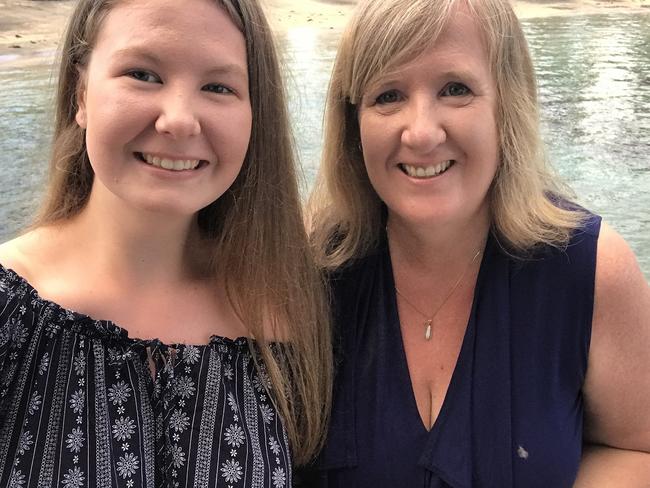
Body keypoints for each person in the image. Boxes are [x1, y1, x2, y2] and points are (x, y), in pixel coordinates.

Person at [306, 0, 650, 486]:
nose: (421, 132)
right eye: (387, 95)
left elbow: (635, 446)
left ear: (507, 104)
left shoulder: (591, 269)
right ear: (352, 121)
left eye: (455, 89)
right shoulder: (308, 269)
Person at [0, 0, 332, 486]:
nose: (178, 120)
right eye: (143, 74)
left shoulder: (293, 316)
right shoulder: (11, 310)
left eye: (218, 86)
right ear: (81, 94)